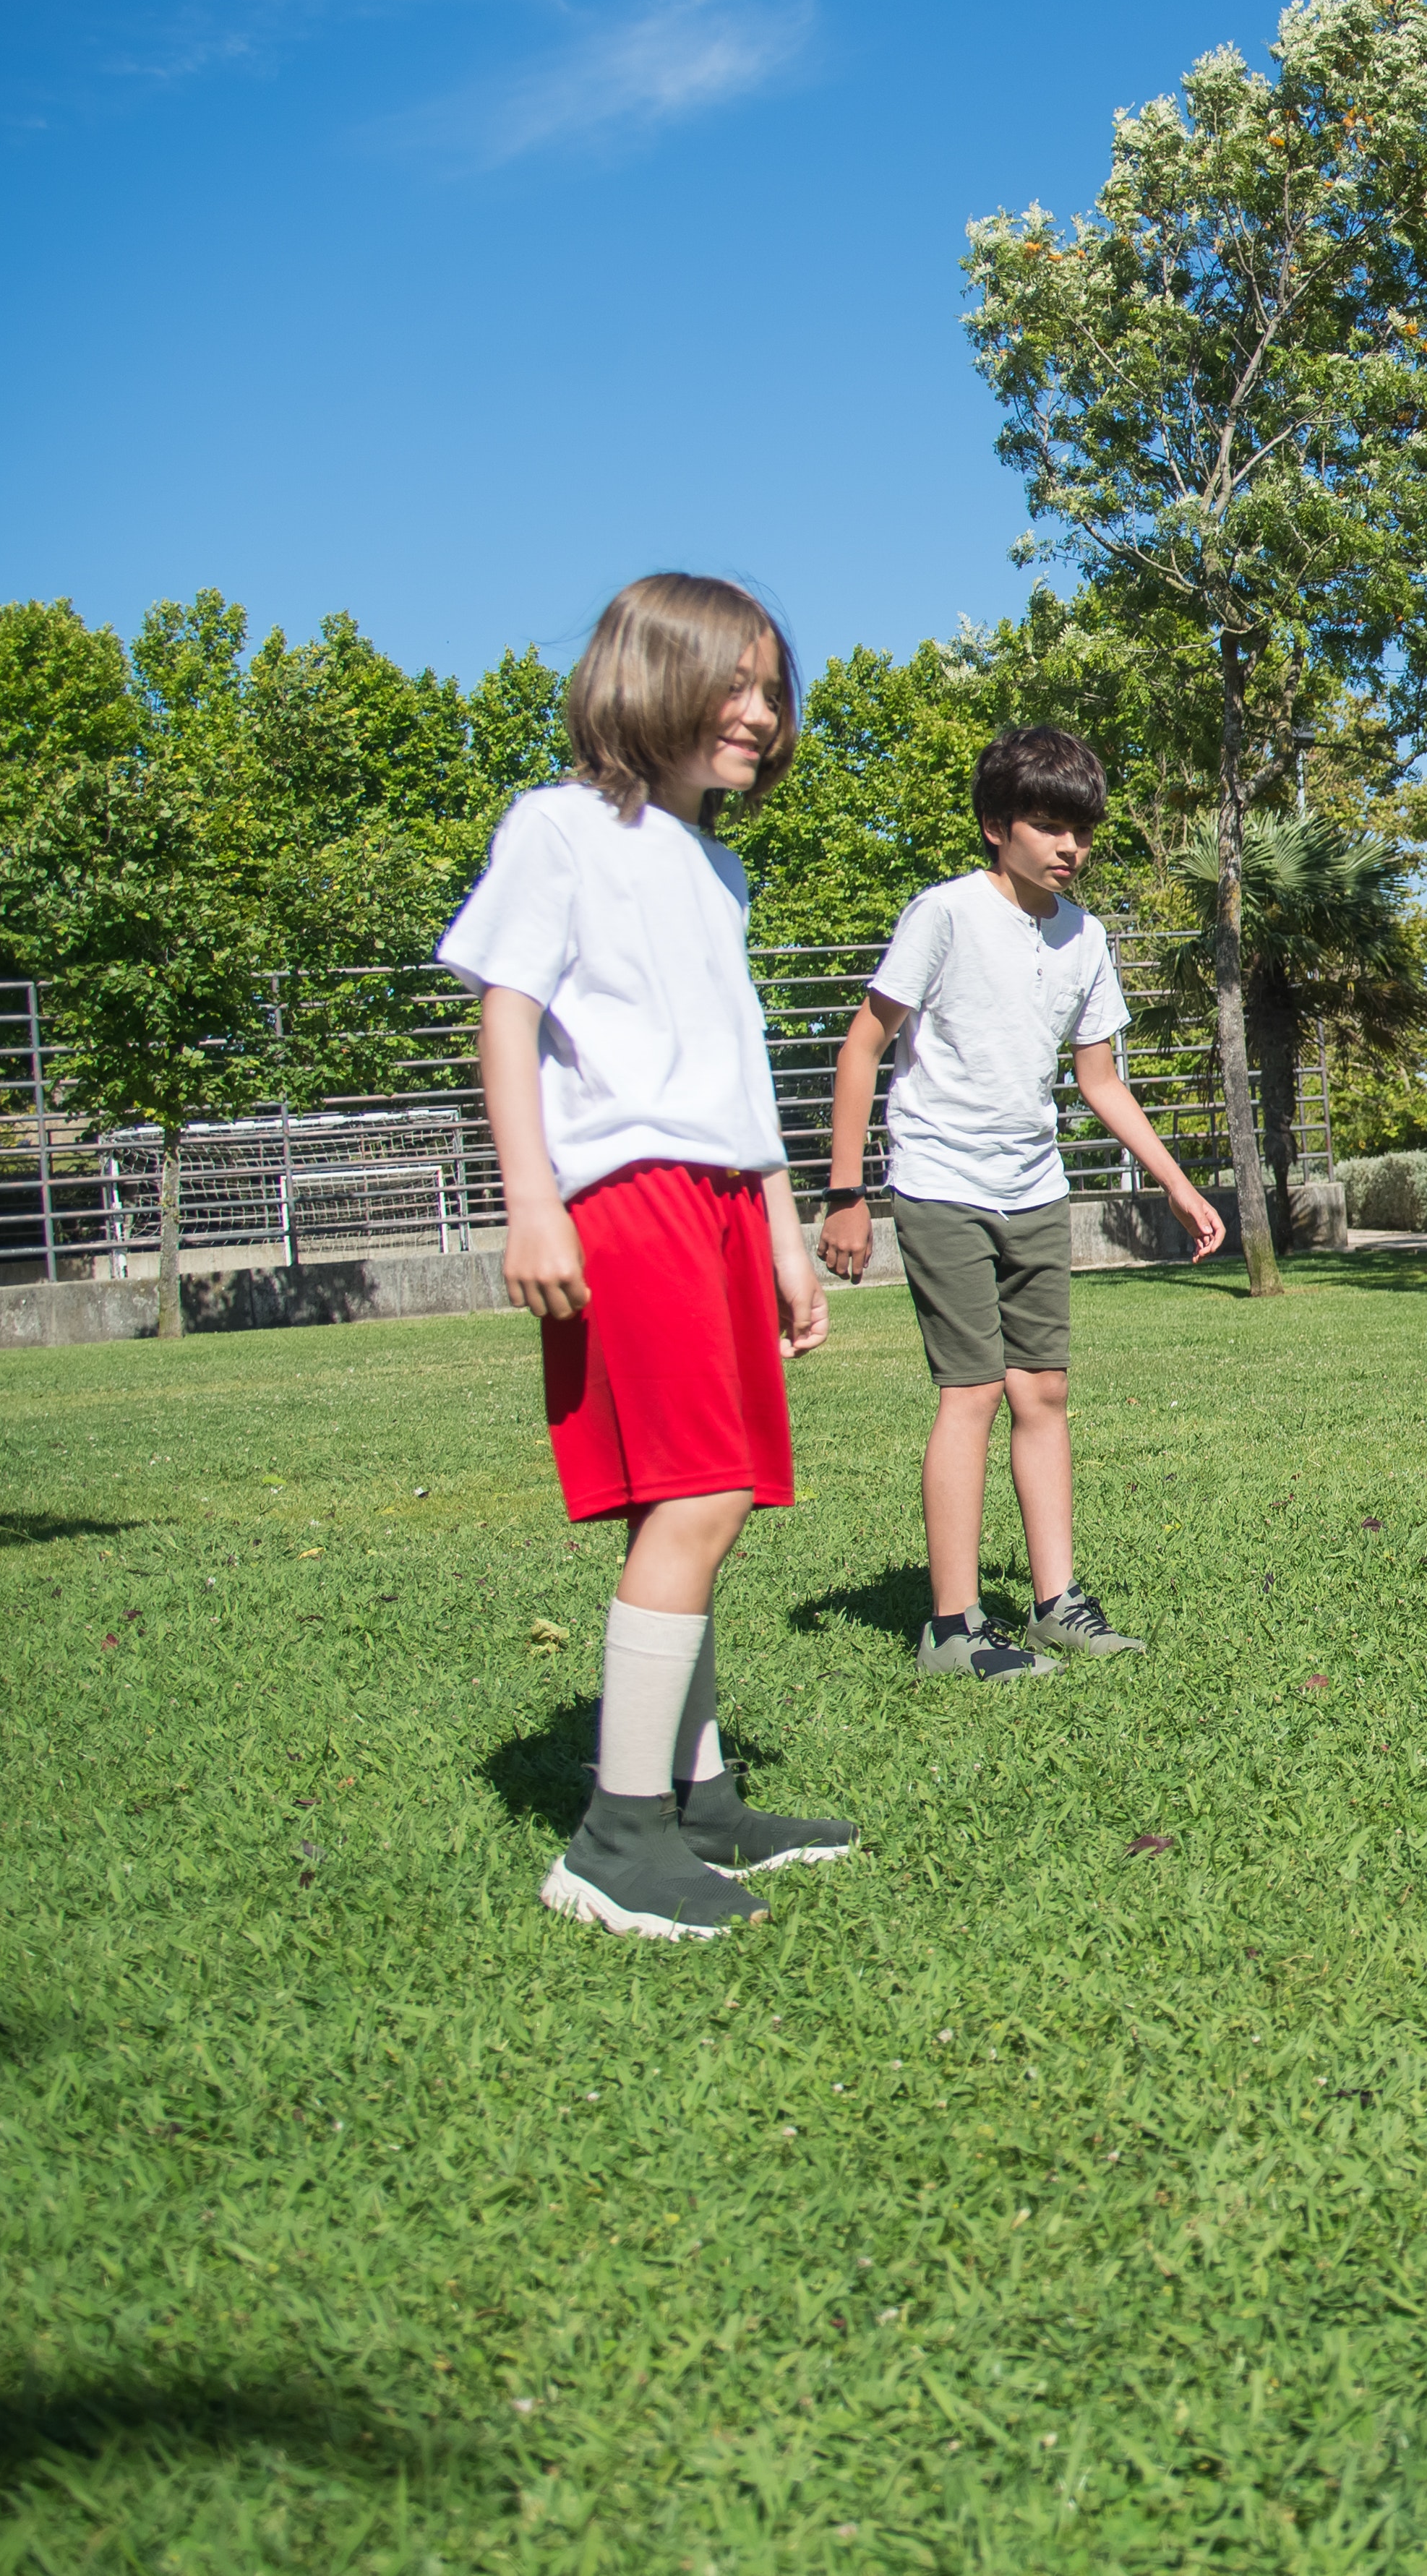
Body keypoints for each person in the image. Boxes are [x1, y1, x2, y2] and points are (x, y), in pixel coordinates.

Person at [442, 572, 857, 1941]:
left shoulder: (714, 864)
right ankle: (617, 1841)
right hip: (627, 1196)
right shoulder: (560, 828)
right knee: (698, 1494)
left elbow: (735, 1063)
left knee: (700, 1498)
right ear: (647, 678)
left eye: (770, 689)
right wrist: (530, 1198)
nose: (759, 714)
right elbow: (508, 1012)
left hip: (729, 1202)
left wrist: (788, 1225)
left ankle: (702, 1797)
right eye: (731, 685)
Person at [816, 727, 1225, 1680]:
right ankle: (952, 1628)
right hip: (939, 1182)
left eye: (1080, 829)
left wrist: (1176, 1180)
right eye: (1048, 825)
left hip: (1032, 1187)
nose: (1068, 846)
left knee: (1042, 1390)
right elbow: (861, 1045)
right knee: (971, 1390)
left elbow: (1100, 1081)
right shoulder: (945, 915)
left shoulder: (1083, 936)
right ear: (998, 826)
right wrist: (845, 1195)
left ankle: (1056, 1604)